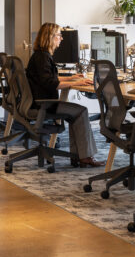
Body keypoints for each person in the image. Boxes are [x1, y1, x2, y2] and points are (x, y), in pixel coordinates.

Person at [26, 23, 104, 167]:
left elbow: (49, 78)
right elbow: (51, 83)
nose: (61, 38)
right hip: (44, 104)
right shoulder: (42, 58)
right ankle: (84, 156)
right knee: (81, 111)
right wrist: (77, 84)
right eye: (59, 35)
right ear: (50, 37)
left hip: (41, 101)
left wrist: (72, 79)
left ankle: (78, 156)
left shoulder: (41, 56)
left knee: (77, 112)